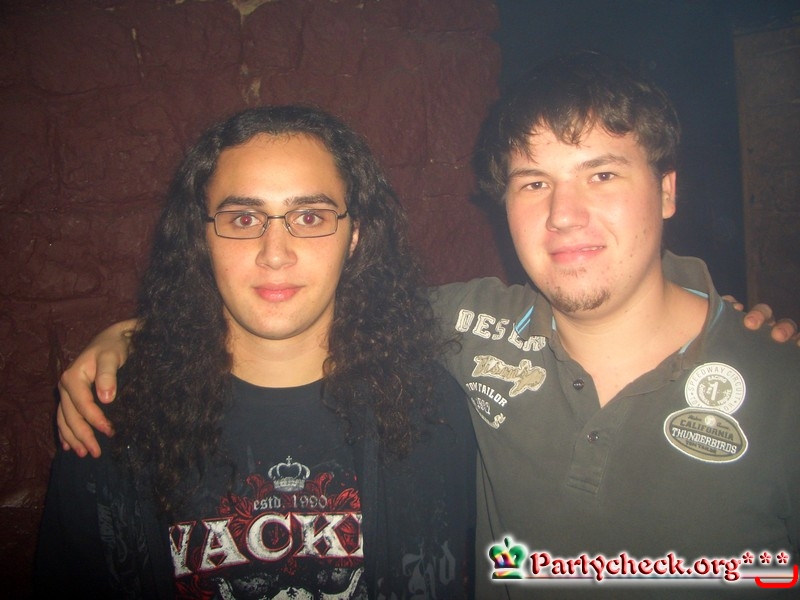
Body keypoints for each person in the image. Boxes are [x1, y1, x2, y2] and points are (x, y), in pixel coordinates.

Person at [55, 53, 800, 598]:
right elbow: (298, 297)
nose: (564, 214)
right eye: (533, 182)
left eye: (602, 174)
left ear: (667, 190)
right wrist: (133, 339)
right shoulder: (469, 329)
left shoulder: (782, 385)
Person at [34, 105, 476, 599]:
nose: (275, 253)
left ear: (355, 236)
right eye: (244, 219)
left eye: (310, 217)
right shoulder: (112, 421)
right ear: (201, 237)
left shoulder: (427, 409)